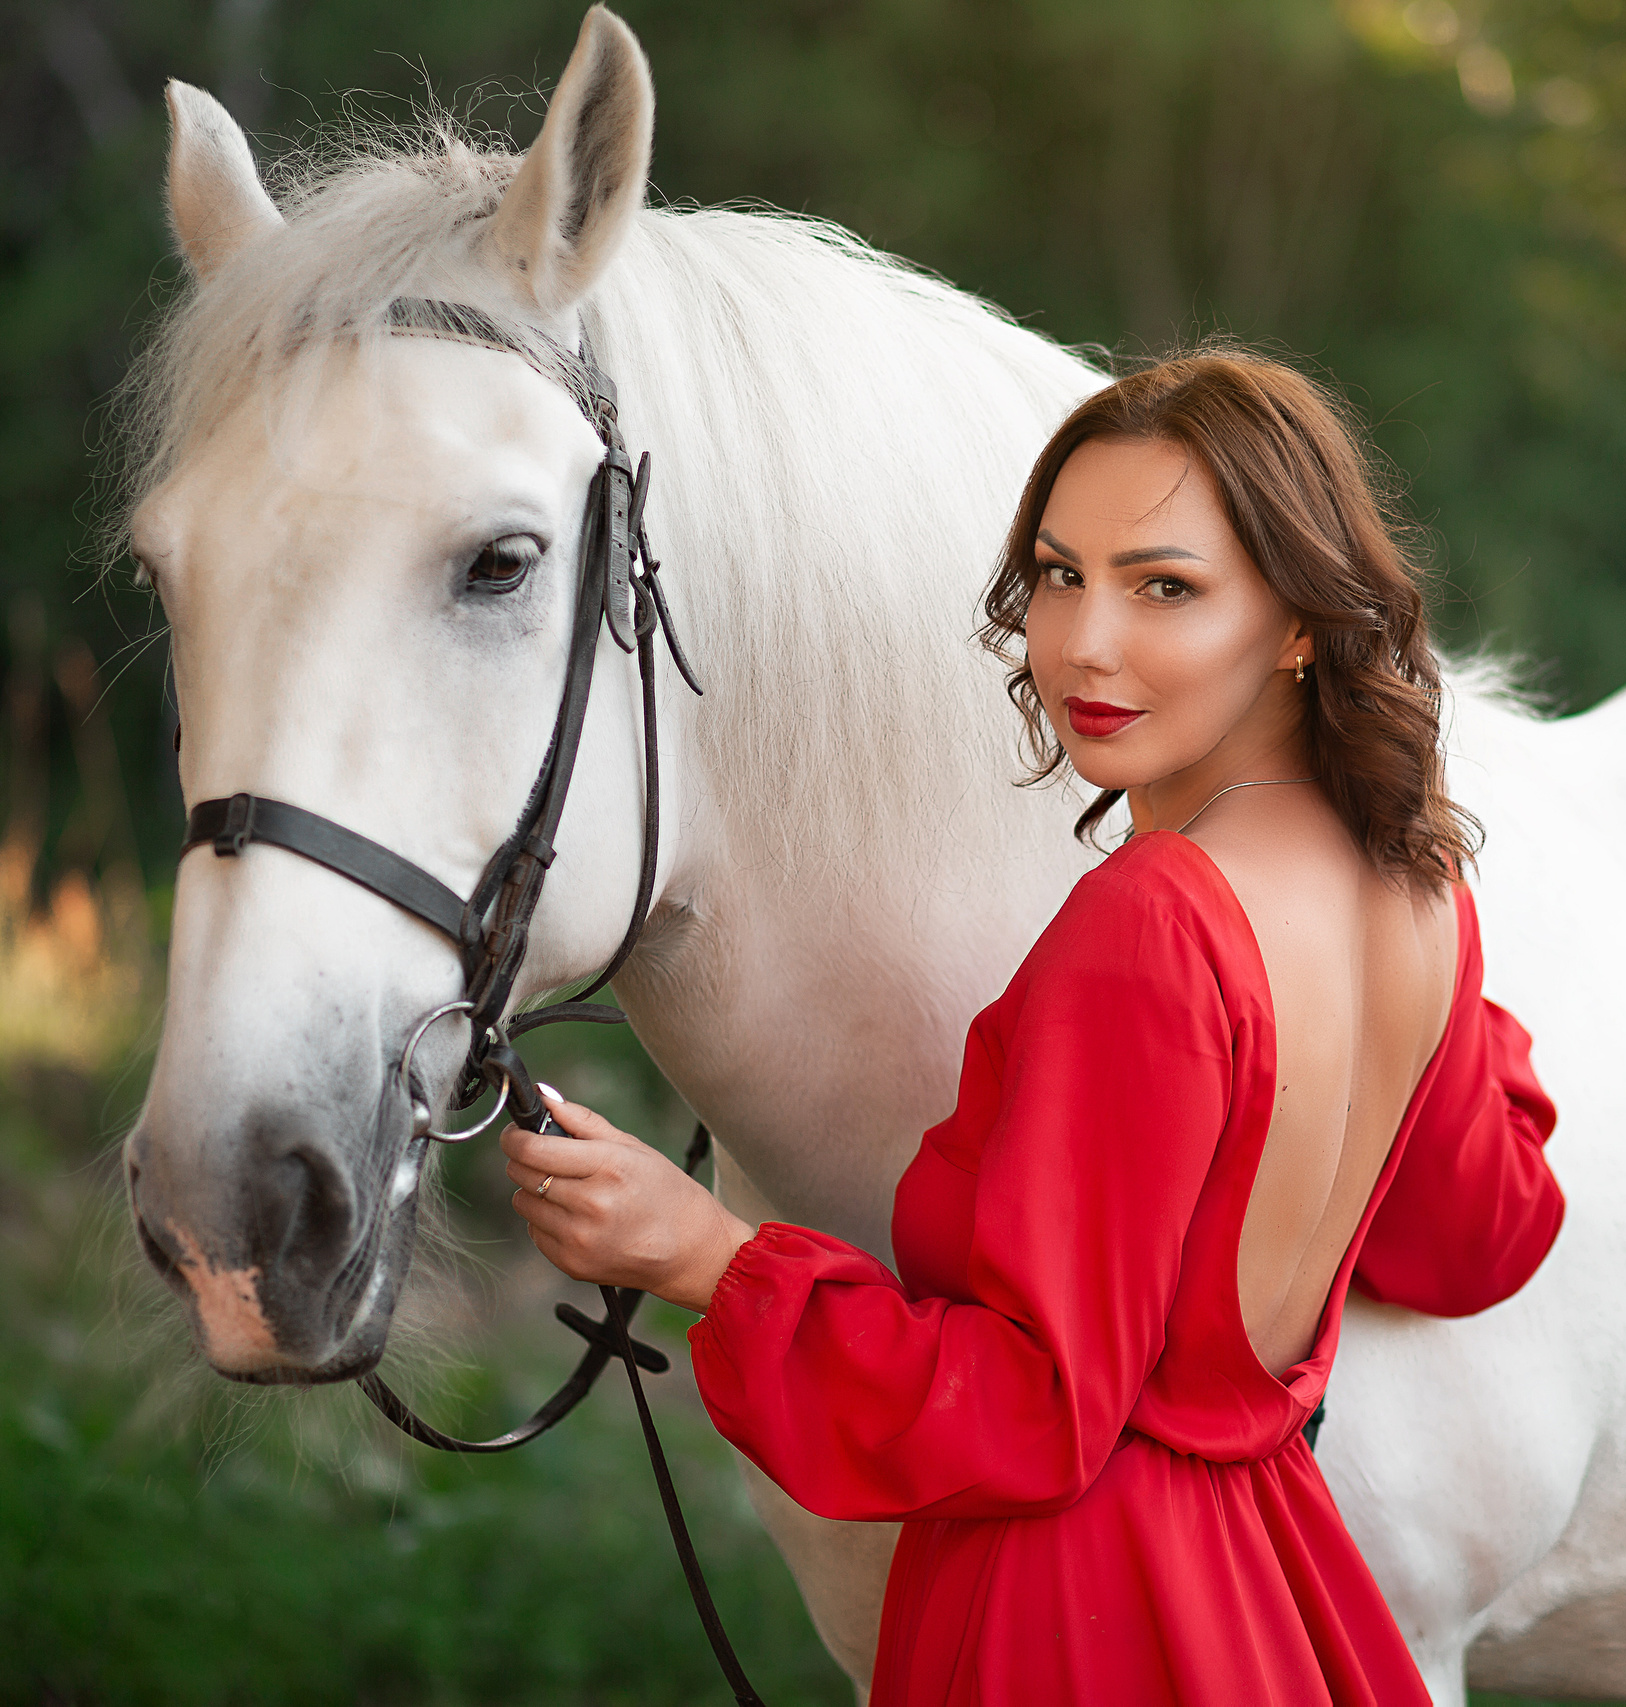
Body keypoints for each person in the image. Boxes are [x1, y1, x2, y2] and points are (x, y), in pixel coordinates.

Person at [500, 349, 1565, 1705]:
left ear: (1301, 621)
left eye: (1163, 587)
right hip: (1270, 1591)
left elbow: (1035, 1409)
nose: (1083, 644)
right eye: (1061, 575)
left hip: (1078, 1618)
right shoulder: (1414, 888)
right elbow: (1477, 1231)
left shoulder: (1152, 924)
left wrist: (705, 1253)